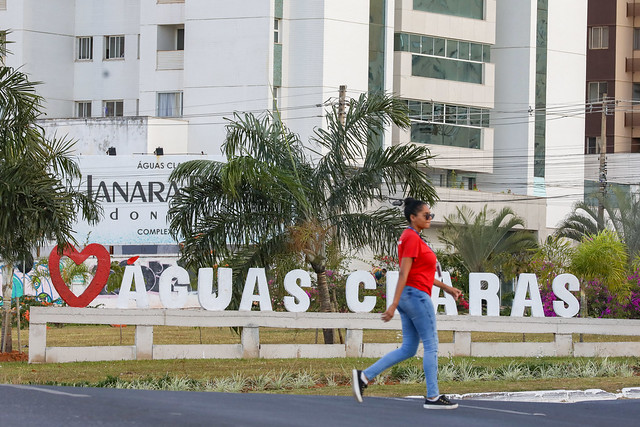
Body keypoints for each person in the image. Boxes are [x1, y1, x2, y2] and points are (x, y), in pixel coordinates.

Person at [352, 197, 462, 409]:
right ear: (413, 217)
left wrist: (446, 288)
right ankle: (433, 397)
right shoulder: (410, 238)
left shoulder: (413, 238)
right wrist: (392, 304)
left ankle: (363, 377)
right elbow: (403, 272)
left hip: (409, 296)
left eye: (431, 215)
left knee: (409, 349)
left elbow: (419, 273)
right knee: (431, 346)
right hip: (416, 297)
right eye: (426, 215)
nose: (429, 218)